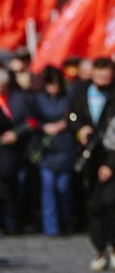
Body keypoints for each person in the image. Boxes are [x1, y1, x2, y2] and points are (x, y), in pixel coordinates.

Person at [67, 58, 115, 272]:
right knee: (94, 204)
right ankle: (100, 248)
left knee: (111, 201)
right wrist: (79, 128)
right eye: (99, 74)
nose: (103, 79)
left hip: (114, 157)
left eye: (107, 75)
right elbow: (71, 116)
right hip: (89, 157)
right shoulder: (80, 92)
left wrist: (112, 163)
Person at [32, 67, 77, 236]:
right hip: (47, 149)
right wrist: (44, 127)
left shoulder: (68, 98)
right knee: (48, 188)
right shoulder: (39, 100)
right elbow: (32, 120)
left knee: (63, 188)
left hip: (65, 147)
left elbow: (74, 116)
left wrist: (66, 124)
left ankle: (66, 221)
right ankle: (51, 226)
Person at [0, 68, 34, 234]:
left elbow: (31, 121)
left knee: (12, 190)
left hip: (14, 153)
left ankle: (13, 223)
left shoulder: (20, 98)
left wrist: (16, 133)